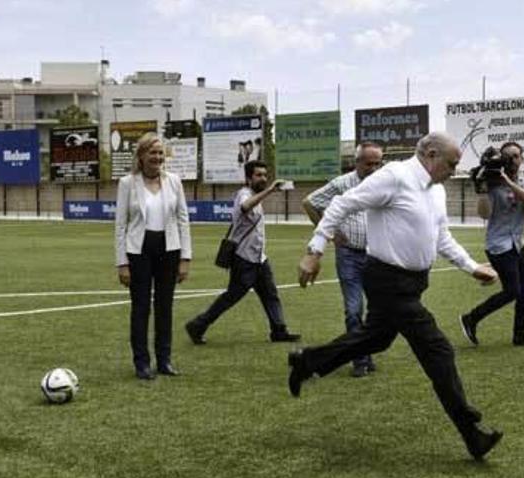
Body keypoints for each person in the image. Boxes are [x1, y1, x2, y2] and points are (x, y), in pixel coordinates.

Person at [292, 132, 504, 460]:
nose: (455, 171)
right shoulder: (394, 177)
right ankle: (471, 432)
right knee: (439, 351)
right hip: (387, 281)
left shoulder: (436, 191)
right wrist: (315, 250)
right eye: (452, 164)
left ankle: (308, 361)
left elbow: (441, 236)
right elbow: (340, 204)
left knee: (375, 339)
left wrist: (471, 266)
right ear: (431, 155)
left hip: (413, 283)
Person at [185, 160, 300, 344]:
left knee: (270, 294)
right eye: (258, 175)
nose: (263, 178)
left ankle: (279, 330)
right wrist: (269, 191)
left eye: (264, 174)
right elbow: (245, 207)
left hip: (259, 258)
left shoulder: (256, 194)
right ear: (248, 178)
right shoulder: (244, 194)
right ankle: (197, 325)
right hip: (244, 259)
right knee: (231, 297)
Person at [301, 142, 383, 378]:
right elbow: (309, 202)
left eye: (378, 163)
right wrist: (329, 232)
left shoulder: (383, 183)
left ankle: (366, 352)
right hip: (349, 255)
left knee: (378, 310)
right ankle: (359, 359)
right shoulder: (342, 183)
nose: (374, 168)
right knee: (353, 309)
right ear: (356, 162)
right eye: (369, 163)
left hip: (377, 255)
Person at [115, 133, 192, 380]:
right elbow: (120, 225)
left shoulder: (174, 181)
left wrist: (185, 258)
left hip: (169, 250)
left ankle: (164, 360)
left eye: (160, 153)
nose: (157, 158)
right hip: (138, 251)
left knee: (165, 307)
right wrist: (122, 263)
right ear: (141, 156)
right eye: (152, 153)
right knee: (140, 308)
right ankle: (141, 363)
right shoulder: (127, 183)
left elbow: (183, 219)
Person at [459, 142, 524, 347]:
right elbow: (484, 214)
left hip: (517, 243)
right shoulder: (493, 184)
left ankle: (520, 335)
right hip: (498, 246)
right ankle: (471, 318)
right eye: (508, 157)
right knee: (513, 290)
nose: (513, 160)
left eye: (516, 156)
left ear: (522, 158)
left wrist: (507, 181)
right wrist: (481, 189)